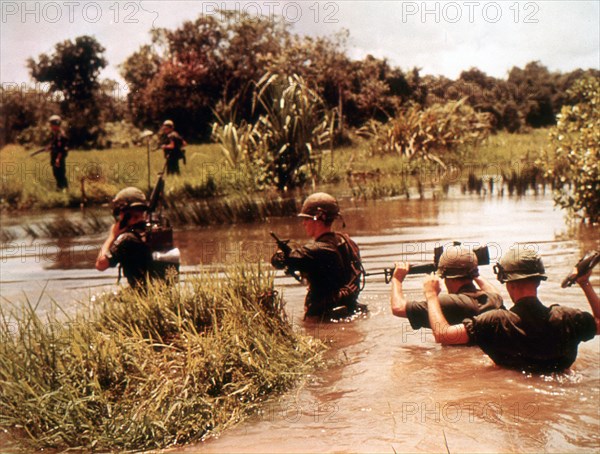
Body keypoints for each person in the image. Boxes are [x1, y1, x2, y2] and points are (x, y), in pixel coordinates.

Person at [424, 245, 599, 372]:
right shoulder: (569, 318)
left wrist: (431, 296)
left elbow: (443, 334)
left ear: (508, 284)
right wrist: (584, 284)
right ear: (539, 281)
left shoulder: (495, 322)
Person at [271, 192, 365, 320]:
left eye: (306, 218)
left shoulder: (315, 250)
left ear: (318, 218)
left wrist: (280, 254)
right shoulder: (348, 242)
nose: (303, 223)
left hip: (323, 320)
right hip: (350, 310)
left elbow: (280, 262)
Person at [390, 244, 503, 330]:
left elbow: (398, 308)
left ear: (446, 277)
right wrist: (471, 269)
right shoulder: (493, 300)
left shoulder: (448, 303)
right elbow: (494, 292)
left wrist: (397, 279)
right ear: (473, 274)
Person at [95, 187, 153, 290]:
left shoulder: (127, 239)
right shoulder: (151, 231)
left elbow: (100, 265)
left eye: (120, 212)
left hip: (142, 294)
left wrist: (112, 236)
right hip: (159, 292)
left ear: (126, 214)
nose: (119, 216)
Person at [46, 115, 69, 190]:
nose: (51, 126)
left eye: (51, 124)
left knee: (60, 174)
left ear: (56, 124)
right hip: (55, 156)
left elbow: (61, 149)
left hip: (58, 157)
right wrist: (50, 147)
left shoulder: (61, 135)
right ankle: (60, 189)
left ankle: (64, 189)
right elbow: (55, 145)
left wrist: (58, 159)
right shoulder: (55, 134)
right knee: (56, 173)